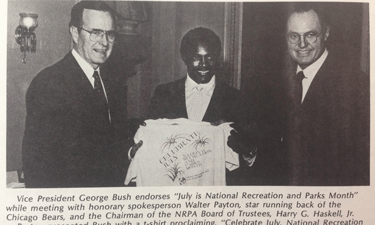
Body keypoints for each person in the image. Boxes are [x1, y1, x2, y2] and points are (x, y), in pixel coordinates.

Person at [22, 1, 137, 188]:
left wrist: (129, 152)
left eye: (110, 34)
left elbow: (108, 144)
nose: (104, 42)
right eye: (96, 33)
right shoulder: (49, 83)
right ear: (75, 33)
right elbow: (38, 165)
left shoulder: (113, 82)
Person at [146, 27, 258, 185]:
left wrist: (249, 153)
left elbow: (248, 159)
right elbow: (151, 144)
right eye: (196, 57)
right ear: (184, 57)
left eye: (210, 57)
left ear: (218, 58)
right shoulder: (164, 93)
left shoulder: (237, 98)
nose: (204, 64)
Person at [279, 3, 369, 185]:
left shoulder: (356, 84)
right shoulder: (275, 84)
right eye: (294, 36)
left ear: (326, 33)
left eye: (311, 35)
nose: (302, 44)